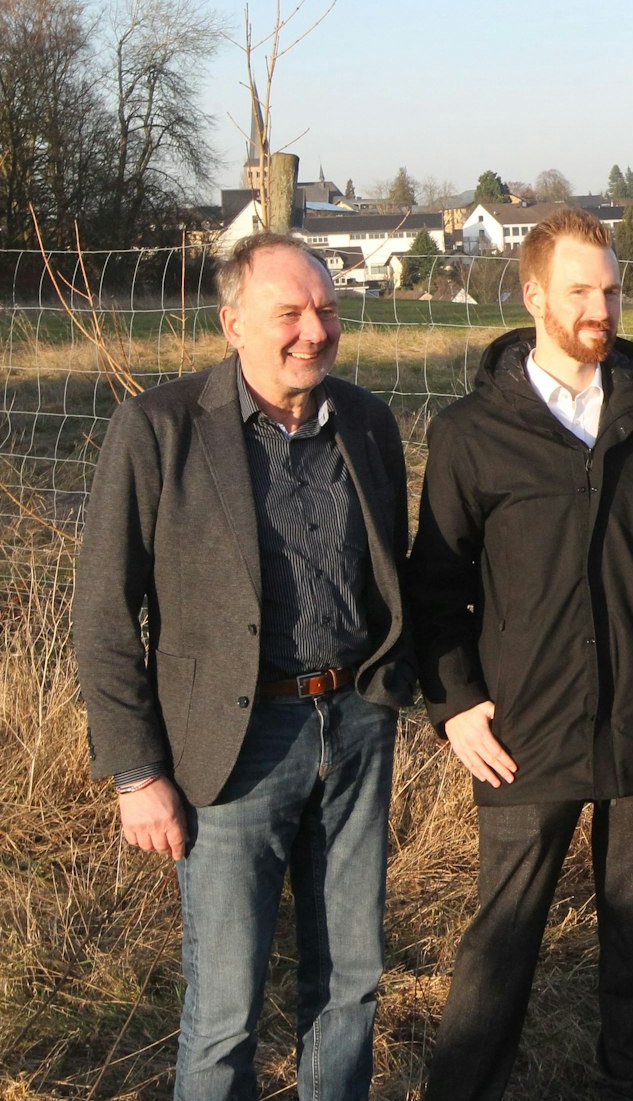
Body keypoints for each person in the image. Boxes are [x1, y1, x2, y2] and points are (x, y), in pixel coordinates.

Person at [74, 232, 414, 1100]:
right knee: (225, 1006)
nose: (315, 330)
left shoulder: (368, 423)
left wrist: (385, 693)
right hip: (233, 746)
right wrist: (137, 770)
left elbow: (389, 576)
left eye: (328, 311)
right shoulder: (158, 428)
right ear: (232, 323)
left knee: (350, 984)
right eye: (289, 313)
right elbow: (105, 611)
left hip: (355, 729)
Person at [409, 207, 633, 1100]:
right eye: (581, 289)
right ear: (534, 294)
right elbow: (435, 585)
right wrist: (456, 701)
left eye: (614, 289)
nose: (602, 307)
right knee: (502, 938)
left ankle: (631, 1086)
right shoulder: (473, 433)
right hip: (523, 729)